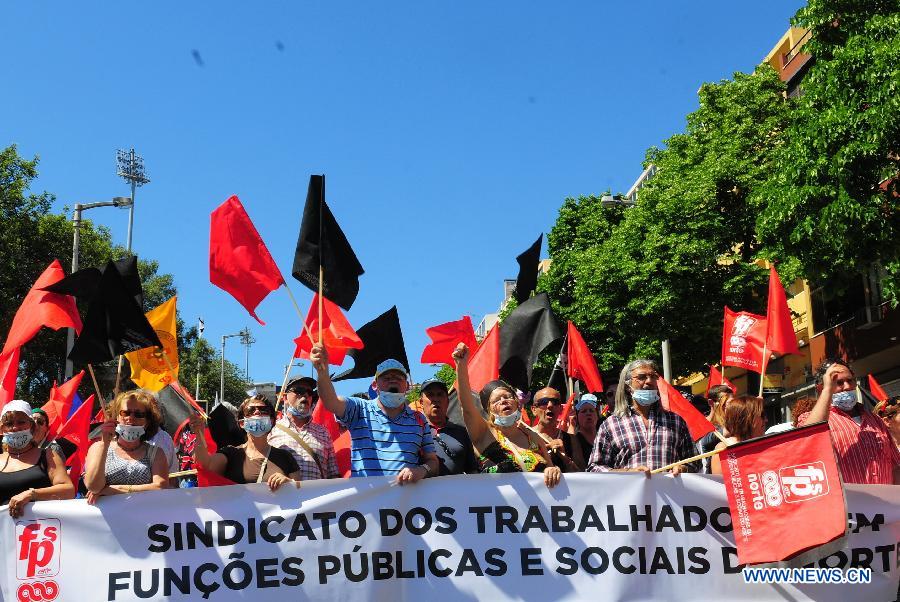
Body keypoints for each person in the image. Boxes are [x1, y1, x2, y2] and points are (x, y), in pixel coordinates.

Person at [310, 343, 439, 483]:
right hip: (368, 502)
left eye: (398, 378)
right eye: (386, 378)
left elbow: (432, 462)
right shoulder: (359, 409)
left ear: (407, 386)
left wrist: (421, 470)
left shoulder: (419, 419)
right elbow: (331, 402)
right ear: (374, 385)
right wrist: (322, 372)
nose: (393, 380)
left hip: (406, 502)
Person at [452, 343, 562, 488]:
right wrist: (461, 365)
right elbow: (466, 407)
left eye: (507, 396)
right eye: (497, 400)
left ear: (517, 402)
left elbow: (551, 468)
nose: (504, 401)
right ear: (489, 410)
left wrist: (553, 470)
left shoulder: (534, 437)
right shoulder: (484, 433)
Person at [798, 359, 900, 485]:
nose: (847, 386)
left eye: (850, 380)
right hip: (847, 502)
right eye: (838, 382)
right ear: (820, 388)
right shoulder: (810, 418)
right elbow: (809, 438)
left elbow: (895, 467)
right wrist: (827, 390)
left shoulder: (875, 420)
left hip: (883, 502)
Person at [588, 359, 699, 475]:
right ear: (627, 386)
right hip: (629, 492)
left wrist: (683, 468)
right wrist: (628, 472)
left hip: (669, 491)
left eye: (653, 376)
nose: (649, 381)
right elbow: (594, 467)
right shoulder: (610, 425)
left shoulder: (676, 421)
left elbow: (695, 461)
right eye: (641, 377)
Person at [190, 395, 301, 490]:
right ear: (242, 423)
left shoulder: (285, 457)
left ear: (272, 421)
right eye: (251, 411)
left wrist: (289, 484)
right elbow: (206, 464)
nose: (257, 412)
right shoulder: (231, 453)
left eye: (263, 410)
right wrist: (199, 434)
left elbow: (301, 492)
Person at [84, 390, 169, 503]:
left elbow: (160, 487)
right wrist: (105, 444)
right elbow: (93, 487)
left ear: (147, 421)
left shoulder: (156, 453)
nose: (131, 418)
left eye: (138, 414)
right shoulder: (98, 448)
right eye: (125, 413)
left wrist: (117, 489)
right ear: (116, 417)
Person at [1, 400, 75, 517]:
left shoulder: (48, 455)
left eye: (21, 422)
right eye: (9, 424)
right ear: (2, 429)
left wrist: (32, 494)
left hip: (42, 531)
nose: (15, 427)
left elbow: (68, 491)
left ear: (31, 426)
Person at [268, 377, 338, 481]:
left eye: (309, 392)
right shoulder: (271, 430)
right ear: (285, 398)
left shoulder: (323, 433)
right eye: (299, 391)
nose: (305, 395)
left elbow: (334, 476)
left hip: (317, 496)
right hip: (282, 496)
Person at [418, 377, 479, 475]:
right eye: (430, 395)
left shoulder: (461, 432)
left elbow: (472, 470)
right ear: (421, 402)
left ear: (447, 401)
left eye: (440, 394)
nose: (436, 399)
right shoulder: (413, 431)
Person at [710, 395, 767, 475]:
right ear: (747, 419)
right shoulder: (723, 449)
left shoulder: (769, 443)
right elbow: (719, 485)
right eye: (762, 415)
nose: (766, 420)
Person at [528, 387, 579, 472]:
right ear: (534, 410)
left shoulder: (571, 440)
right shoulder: (524, 435)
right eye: (544, 402)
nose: (550, 405)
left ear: (560, 409)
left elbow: (583, 475)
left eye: (555, 402)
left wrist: (565, 458)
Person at [697, 385, 732, 472]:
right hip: (714, 480)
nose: (730, 406)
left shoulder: (731, 422)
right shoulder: (703, 425)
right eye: (724, 402)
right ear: (711, 402)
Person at [562, 393, 601, 471]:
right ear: (577, 417)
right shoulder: (573, 441)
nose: (588, 413)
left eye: (591, 411)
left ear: (597, 415)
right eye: (583, 411)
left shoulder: (605, 438)